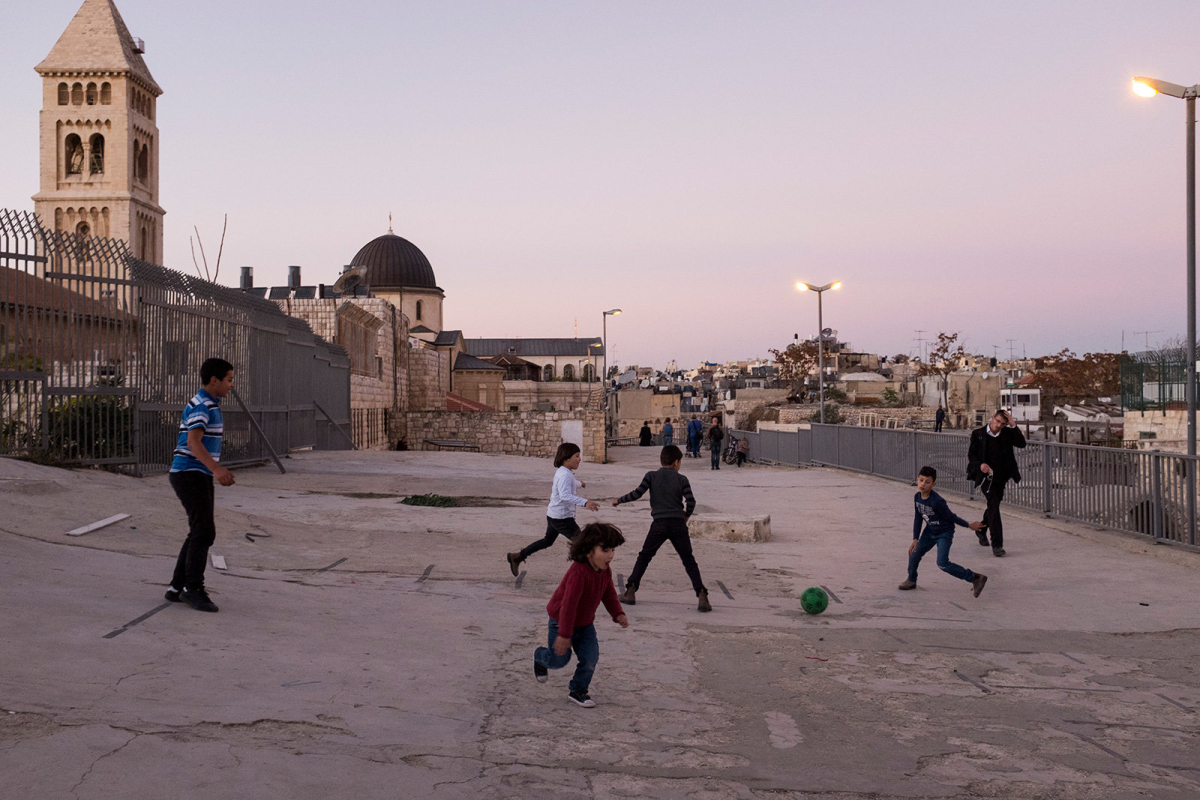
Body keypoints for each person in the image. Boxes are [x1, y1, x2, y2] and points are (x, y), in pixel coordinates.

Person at [165, 358, 236, 613]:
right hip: (189, 473)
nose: (231, 385)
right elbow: (194, 443)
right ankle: (192, 589)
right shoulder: (202, 406)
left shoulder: (210, 405)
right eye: (228, 379)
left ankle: (177, 587)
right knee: (204, 532)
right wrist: (216, 469)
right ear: (214, 380)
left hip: (198, 473)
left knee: (199, 530)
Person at [532, 522, 629, 708]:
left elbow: (608, 594)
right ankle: (539, 656)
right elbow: (568, 606)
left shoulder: (605, 571)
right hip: (561, 623)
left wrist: (618, 613)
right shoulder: (578, 574)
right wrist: (564, 634)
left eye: (613, 550)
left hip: (585, 625)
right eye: (605, 550)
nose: (610, 555)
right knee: (559, 660)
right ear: (587, 551)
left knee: (590, 658)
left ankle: (578, 690)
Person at [613, 445, 711, 612]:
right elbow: (691, 502)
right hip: (678, 524)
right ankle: (702, 595)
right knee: (688, 559)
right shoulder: (682, 479)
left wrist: (619, 500)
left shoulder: (651, 476)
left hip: (658, 524)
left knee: (645, 556)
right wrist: (685, 516)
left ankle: (630, 591)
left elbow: (637, 493)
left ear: (661, 460)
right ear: (676, 462)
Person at [507, 443, 599, 575]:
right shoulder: (565, 475)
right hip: (562, 518)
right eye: (577, 456)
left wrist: (580, 484)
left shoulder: (564, 472)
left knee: (547, 541)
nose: (580, 459)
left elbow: (570, 483)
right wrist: (586, 503)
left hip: (554, 515)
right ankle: (585, 574)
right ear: (567, 458)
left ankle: (517, 557)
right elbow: (565, 495)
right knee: (582, 544)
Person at [898, 466, 988, 597]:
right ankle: (911, 580)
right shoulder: (917, 497)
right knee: (914, 555)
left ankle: (975, 578)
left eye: (927, 482)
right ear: (917, 479)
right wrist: (915, 539)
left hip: (944, 533)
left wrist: (968, 524)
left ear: (933, 484)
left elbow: (952, 517)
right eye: (921, 480)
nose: (923, 484)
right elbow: (918, 518)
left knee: (942, 563)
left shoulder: (937, 501)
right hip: (929, 531)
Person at [967, 409, 1027, 557]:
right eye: (997, 421)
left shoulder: (1007, 433)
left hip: (1002, 476)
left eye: (1003, 423)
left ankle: (981, 529)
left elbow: (1022, 444)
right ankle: (997, 544)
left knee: (993, 505)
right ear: (992, 418)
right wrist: (980, 465)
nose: (999, 425)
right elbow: (972, 455)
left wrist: (1013, 425)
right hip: (986, 478)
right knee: (994, 506)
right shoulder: (978, 434)